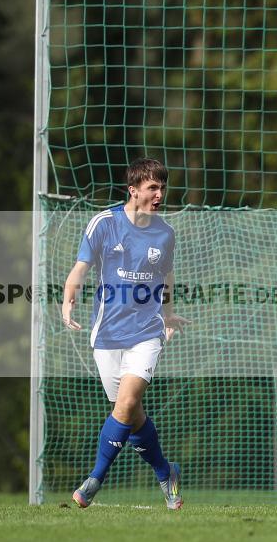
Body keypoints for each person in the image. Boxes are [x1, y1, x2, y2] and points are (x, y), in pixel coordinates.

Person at [61, 158, 190, 510]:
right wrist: (68, 300)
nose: (159, 194)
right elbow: (80, 268)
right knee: (129, 413)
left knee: (129, 403)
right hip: (106, 334)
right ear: (133, 191)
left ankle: (94, 479)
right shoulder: (103, 223)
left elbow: (166, 277)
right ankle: (167, 473)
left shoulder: (165, 233)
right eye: (152, 187)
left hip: (147, 332)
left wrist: (166, 314)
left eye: (162, 187)